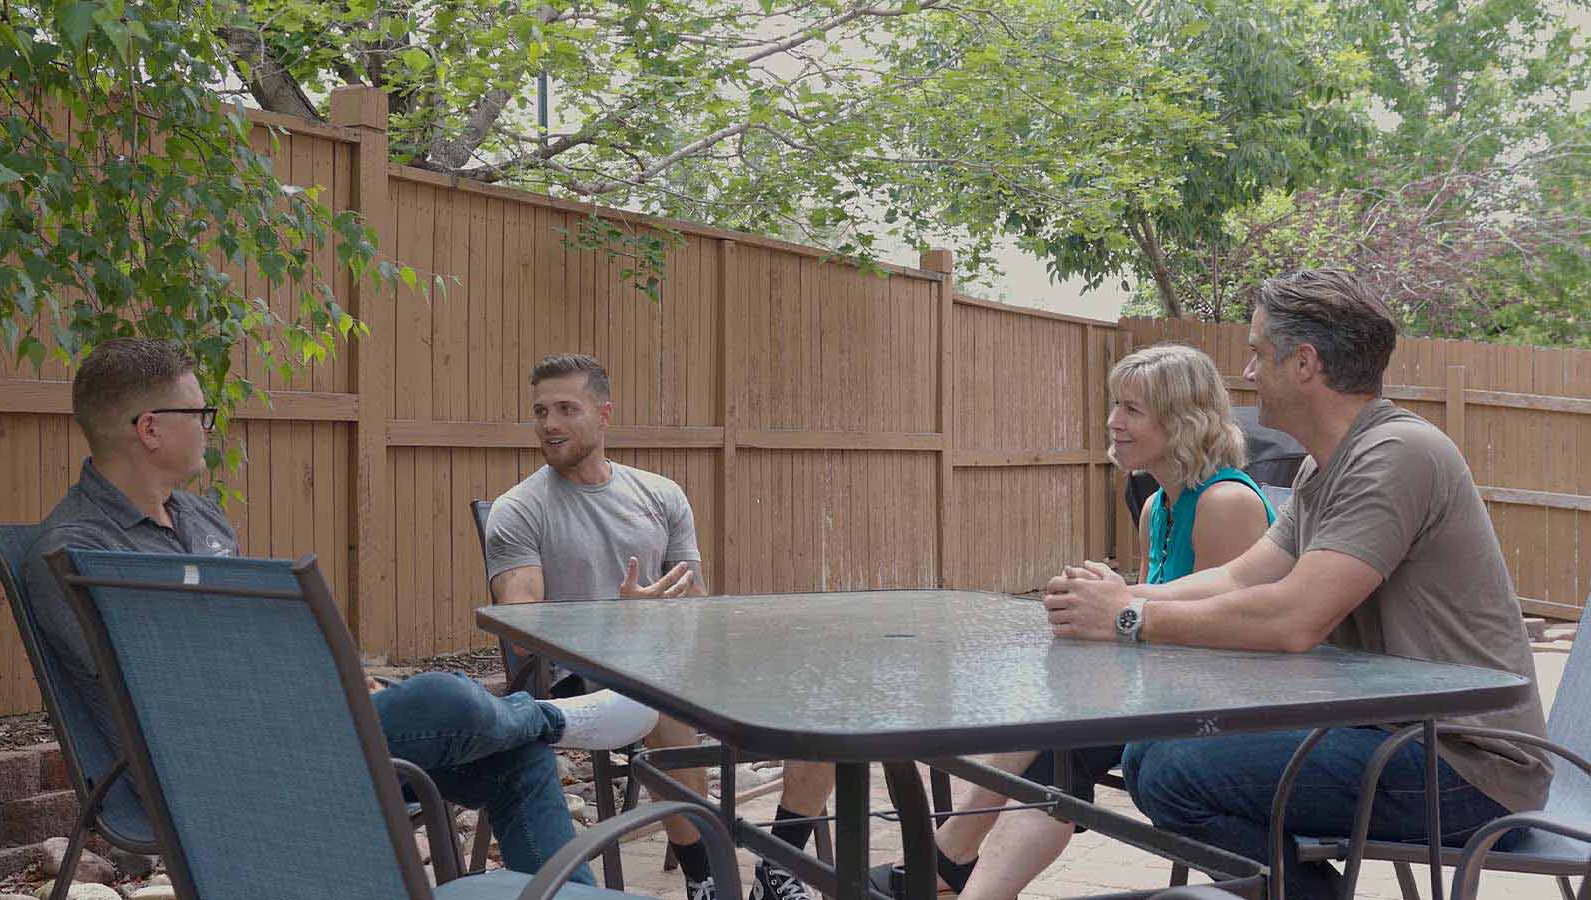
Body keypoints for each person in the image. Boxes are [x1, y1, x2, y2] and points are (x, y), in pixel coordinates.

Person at [21, 338, 659, 886]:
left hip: (290, 732)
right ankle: (556, 717)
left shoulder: (198, 518)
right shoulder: (75, 554)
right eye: (199, 413)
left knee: (511, 754)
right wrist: (314, 692)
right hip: (210, 772)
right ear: (150, 428)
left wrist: (336, 679)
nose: (209, 427)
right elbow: (174, 691)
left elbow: (250, 641)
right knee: (446, 698)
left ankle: (558, 832)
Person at [1043, 269, 1552, 900]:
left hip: (1468, 768)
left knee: (1176, 769)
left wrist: (1128, 620)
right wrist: (1114, 599)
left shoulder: (1398, 454)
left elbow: (1293, 619)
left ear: (1305, 363)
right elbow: (1241, 575)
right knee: (1153, 754)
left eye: (1258, 353)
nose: (1248, 372)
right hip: (1394, 737)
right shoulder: (1325, 467)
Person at [872, 344, 1274, 900]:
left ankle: (949, 859)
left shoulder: (1226, 502)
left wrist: (1112, 607)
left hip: (1226, 710)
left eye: (1132, 409)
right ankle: (953, 865)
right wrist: (1093, 604)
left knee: (1058, 739)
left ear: (1183, 420)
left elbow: (1222, 635)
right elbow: (1143, 619)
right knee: (1055, 730)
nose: (1113, 421)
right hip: (1168, 693)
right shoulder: (1157, 506)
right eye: (1115, 404)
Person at [484, 353, 835, 900]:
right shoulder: (519, 510)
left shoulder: (661, 494)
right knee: (660, 694)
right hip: (579, 679)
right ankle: (705, 877)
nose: (550, 424)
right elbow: (521, 630)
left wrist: (665, 620)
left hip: (673, 661)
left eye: (566, 409)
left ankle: (779, 867)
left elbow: (696, 601)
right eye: (541, 411)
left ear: (604, 415)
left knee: (826, 691)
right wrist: (621, 622)